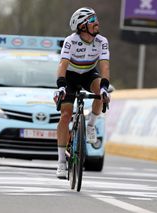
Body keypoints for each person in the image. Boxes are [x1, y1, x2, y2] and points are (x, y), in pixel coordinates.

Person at [54, 7, 110, 179]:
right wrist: (61, 85)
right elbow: (63, 64)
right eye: (92, 20)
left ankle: (91, 124)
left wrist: (104, 88)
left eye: (96, 19)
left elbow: (105, 66)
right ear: (82, 26)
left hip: (88, 74)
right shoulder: (70, 41)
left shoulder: (102, 41)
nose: (97, 23)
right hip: (70, 76)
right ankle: (62, 162)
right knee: (65, 115)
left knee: (101, 91)